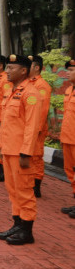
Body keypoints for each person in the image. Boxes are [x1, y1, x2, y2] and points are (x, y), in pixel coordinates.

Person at [0, 54, 42, 245]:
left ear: (23, 71)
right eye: (7, 67)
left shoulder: (30, 93)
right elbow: (6, 123)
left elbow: (32, 127)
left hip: (19, 152)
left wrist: (26, 152)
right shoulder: (11, 91)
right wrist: (1, 146)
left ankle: (27, 230)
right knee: (12, 190)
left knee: (24, 190)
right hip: (8, 148)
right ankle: (17, 222)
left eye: (11, 68)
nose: (7, 71)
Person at [28, 54, 52, 198]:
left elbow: (42, 111)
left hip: (37, 128)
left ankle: (36, 186)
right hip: (28, 128)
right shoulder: (28, 83)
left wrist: (36, 129)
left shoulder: (42, 86)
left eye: (29, 65)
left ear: (37, 68)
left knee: (36, 156)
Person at [59, 59, 75, 218]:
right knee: (70, 171)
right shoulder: (69, 89)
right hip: (68, 137)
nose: (68, 73)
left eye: (71, 70)